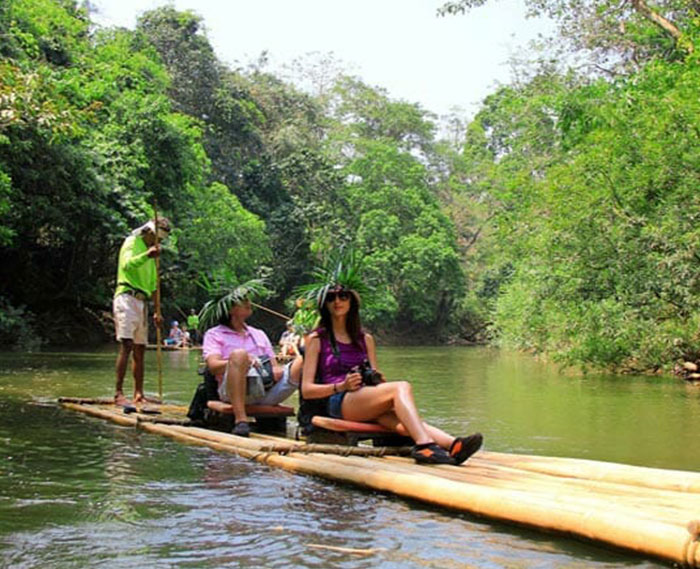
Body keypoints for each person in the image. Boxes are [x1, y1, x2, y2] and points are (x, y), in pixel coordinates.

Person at [301, 284, 483, 465]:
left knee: (405, 424)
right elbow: (307, 390)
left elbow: (374, 377)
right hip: (338, 401)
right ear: (325, 304)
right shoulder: (316, 339)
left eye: (343, 296)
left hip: (365, 399)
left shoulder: (365, 339)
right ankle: (424, 446)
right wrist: (341, 386)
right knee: (401, 387)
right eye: (331, 298)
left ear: (351, 301)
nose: (337, 301)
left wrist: (376, 379)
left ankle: (452, 445)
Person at [202, 297, 303, 437]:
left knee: (302, 361)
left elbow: (273, 364)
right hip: (234, 393)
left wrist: (276, 370)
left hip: (267, 390)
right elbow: (213, 367)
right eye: (242, 301)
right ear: (231, 309)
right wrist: (243, 360)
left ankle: (306, 421)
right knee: (239, 355)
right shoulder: (214, 334)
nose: (249, 302)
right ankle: (240, 419)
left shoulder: (258, 334)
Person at [113, 217, 172, 404]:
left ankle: (139, 393)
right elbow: (126, 266)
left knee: (140, 348)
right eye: (157, 238)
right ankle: (118, 393)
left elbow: (154, 285)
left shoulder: (153, 256)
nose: (159, 243)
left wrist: (157, 311)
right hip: (126, 297)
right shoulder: (132, 242)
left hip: (141, 302)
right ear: (149, 232)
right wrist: (147, 254)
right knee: (127, 344)